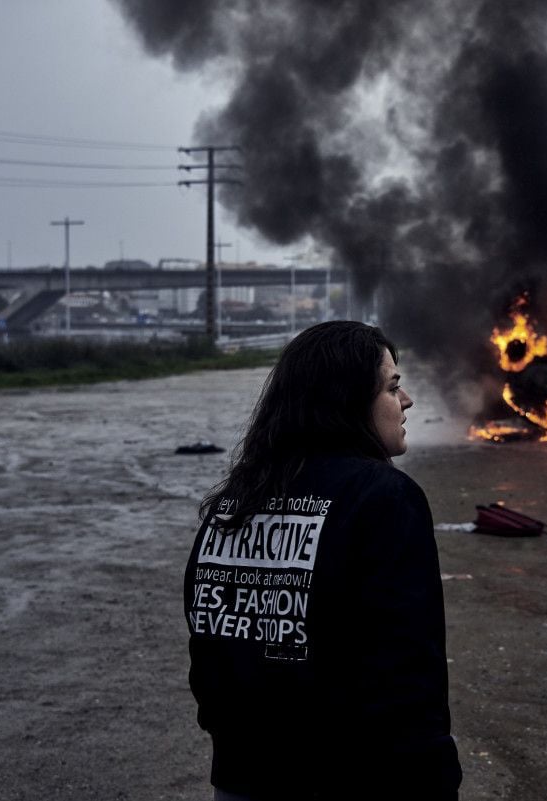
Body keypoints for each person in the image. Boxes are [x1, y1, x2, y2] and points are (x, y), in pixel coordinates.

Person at [184, 321, 462, 801]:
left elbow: (210, 654)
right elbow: (408, 672)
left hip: (242, 776)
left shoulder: (233, 502)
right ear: (349, 398)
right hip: (354, 780)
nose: (408, 400)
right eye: (393, 387)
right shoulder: (385, 497)